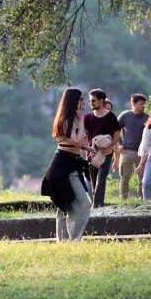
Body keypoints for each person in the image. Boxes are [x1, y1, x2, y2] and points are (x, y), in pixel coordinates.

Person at [42, 88, 93, 241]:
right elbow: (76, 140)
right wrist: (82, 118)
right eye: (81, 100)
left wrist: (87, 148)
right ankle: (73, 239)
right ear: (73, 102)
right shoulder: (65, 120)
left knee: (67, 205)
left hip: (72, 163)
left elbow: (77, 142)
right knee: (79, 204)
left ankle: (64, 241)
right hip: (62, 165)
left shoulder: (75, 119)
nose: (83, 102)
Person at [82, 89, 121, 208]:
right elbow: (83, 135)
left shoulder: (110, 116)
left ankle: (97, 206)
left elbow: (117, 135)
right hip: (91, 153)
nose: (91, 103)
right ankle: (98, 205)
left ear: (101, 100)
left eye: (93, 100)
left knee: (101, 178)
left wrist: (109, 147)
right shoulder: (87, 117)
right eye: (90, 101)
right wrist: (86, 148)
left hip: (106, 153)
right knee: (94, 181)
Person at [117, 94, 149, 200]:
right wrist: (119, 144)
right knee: (124, 177)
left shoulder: (147, 118)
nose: (143, 106)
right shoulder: (125, 116)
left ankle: (142, 199)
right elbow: (115, 130)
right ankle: (124, 200)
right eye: (141, 104)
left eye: (144, 104)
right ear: (133, 103)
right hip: (127, 151)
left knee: (143, 178)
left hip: (143, 152)